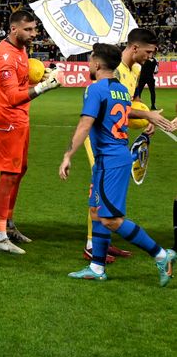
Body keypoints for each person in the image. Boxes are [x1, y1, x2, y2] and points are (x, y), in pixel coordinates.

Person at [59, 43, 176, 284]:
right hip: (113, 158)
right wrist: (147, 114)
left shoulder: (95, 89)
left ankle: (161, 255)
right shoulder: (121, 90)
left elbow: (85, 124)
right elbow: (125, 111)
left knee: (111, 219)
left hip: (110, 161)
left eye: (90, 60)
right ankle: (97, 267)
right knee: (96, 211)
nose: (89, 64)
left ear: (97, 63)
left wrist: (68, 155)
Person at [82, 29, 168, 262]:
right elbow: (111, 107)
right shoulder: (114, 70)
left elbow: (131, 102)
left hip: (116, 139)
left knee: (105, 193)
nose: (150, 57)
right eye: (148, 52)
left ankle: (102, 243)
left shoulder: (136, 70)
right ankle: (92, 245)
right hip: (101, 141)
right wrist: (147, 116)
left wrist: (146, 119)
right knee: (99, 193)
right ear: (134, 48)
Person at [0, 10, 63, 255]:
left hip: (20, 119)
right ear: (14, 29)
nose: (34, 34)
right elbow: (11, 97)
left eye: (35, 29)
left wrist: (41, 78)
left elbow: (20, 85)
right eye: (28, 29)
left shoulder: (21, 49)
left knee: (20, 170)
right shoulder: (5, 57)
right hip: (7, 121)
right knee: (8, 175)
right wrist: (43, 87)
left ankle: (8, 225)